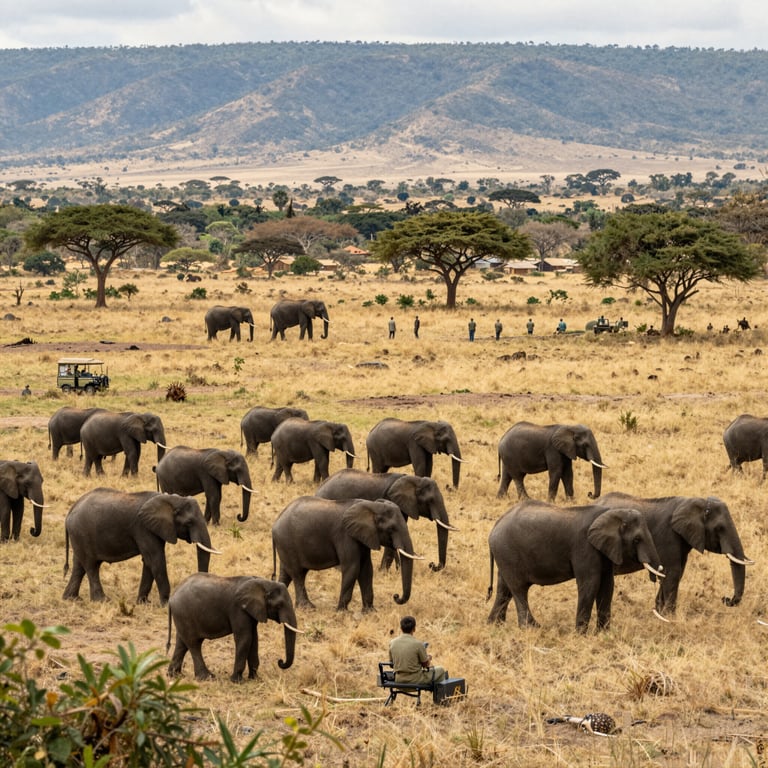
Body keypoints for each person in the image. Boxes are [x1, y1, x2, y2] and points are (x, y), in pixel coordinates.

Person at [389, 615, 446, 685]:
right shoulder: (418, 644)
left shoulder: (392, 643)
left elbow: (391, 664)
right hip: (415, 680)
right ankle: (440, 695)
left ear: (401, 628)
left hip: (399, 680)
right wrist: (428, 658)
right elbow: (426, 665)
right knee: (441, 670)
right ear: (414, 629)